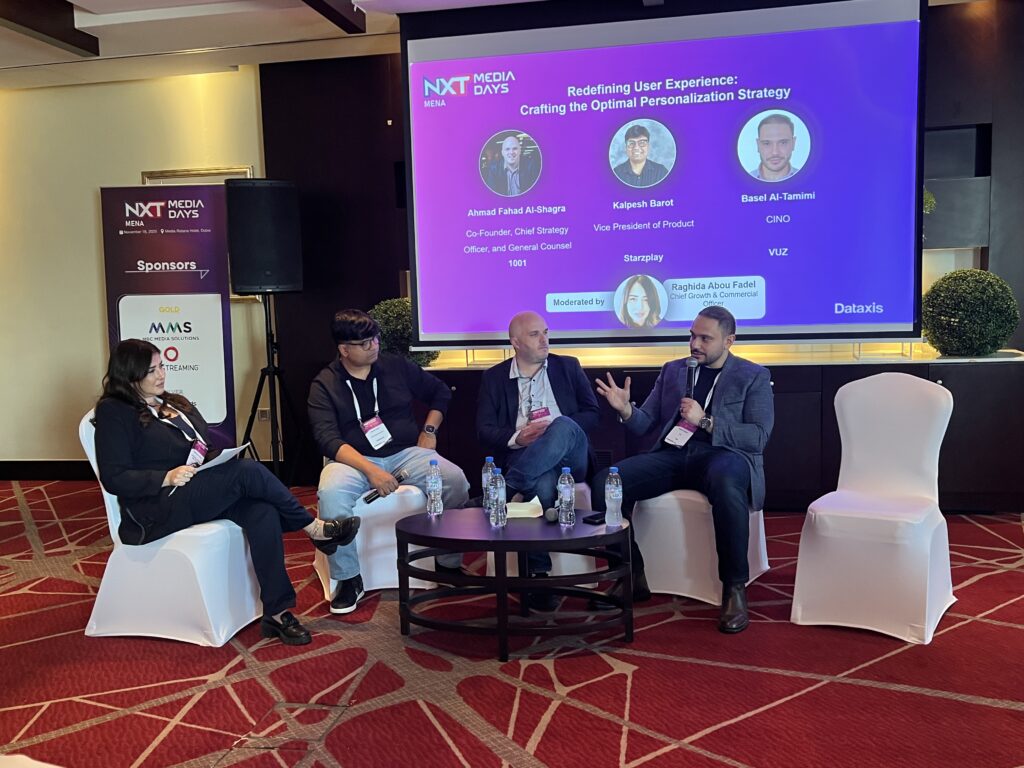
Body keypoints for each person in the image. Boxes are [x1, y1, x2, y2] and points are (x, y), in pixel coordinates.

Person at [94, 339, 360, 647]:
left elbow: (199, 444)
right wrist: (165, 477)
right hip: (155, 506)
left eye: (162, 366)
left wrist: (212, 458)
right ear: (129, 374)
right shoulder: (115, 411)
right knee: (247, 471)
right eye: (151, 370)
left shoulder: (171, 403)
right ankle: (313, 528)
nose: (161, 374)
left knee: (262, 511)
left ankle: (277, 613)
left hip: (193, 489)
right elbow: (114, 477)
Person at [590, 306, 774, 633]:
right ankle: (631, 575)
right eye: (692, 336)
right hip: (674, 454)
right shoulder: (674, 370)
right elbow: (645, 423)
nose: (694, 344)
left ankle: (734, 588)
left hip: (724, 455)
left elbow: (758, 437)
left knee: (726, 481)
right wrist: (626, 409)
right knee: (607, 481)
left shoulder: (752, 376)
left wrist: (705, 421)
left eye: (705, 338)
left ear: (729, 340)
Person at [309, 309, 470, 614]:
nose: (374, 346)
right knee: (330, 494)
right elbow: (327, 438)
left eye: (375, 339)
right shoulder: (324, 384)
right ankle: (348, 578)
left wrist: (429, 431)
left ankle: (447, 562)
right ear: (344, 349)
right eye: (365, 343)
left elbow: (440, 392)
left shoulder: (395, 366)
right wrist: (371, 471)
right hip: (352, 460)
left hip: (405, 452)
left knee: (455, 480)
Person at [476, 311, 599, 611]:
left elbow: (592, 414)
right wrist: (518, 438)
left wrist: (553, 430)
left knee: (562, 425)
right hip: (526, 454)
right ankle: (539, 577)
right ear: (515, 342)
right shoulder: (494, 378)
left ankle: (506, 488)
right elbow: (483, 429)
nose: (545, 340)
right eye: (535, 334)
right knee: (542, 484)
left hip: (571, 454)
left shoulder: (568, 366)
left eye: (545, 332)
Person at [749, 113, 800, 182]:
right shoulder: (742, 182)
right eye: (767, 143)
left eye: (783, 143)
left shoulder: (807, 180)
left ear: (793, 143)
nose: (775, 152)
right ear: (758, 145)